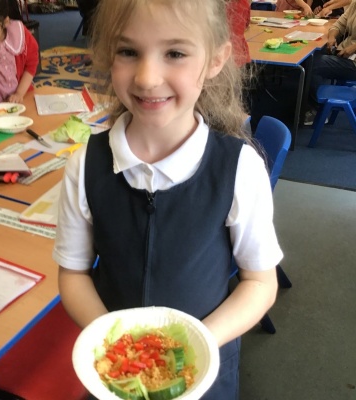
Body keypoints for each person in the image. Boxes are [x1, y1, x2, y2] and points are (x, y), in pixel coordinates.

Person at [53, 0, 282, 399]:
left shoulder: (239, 169)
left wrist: (197, 344)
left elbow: (260, 282)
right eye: (128, 51)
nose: (147, 78)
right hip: (116, 374)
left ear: (215, 60)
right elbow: (73, 273)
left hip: (203, 372)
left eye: (175, 53)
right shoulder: (84, 166)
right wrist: (115, 344)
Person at [305, 0, 356, 125]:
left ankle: (317, 111)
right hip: (346, 54)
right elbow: (339, 25)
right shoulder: (354, 5)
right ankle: (318, 102)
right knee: (314, 55)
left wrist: (353, 48)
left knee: (314, 65)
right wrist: (332, 37)